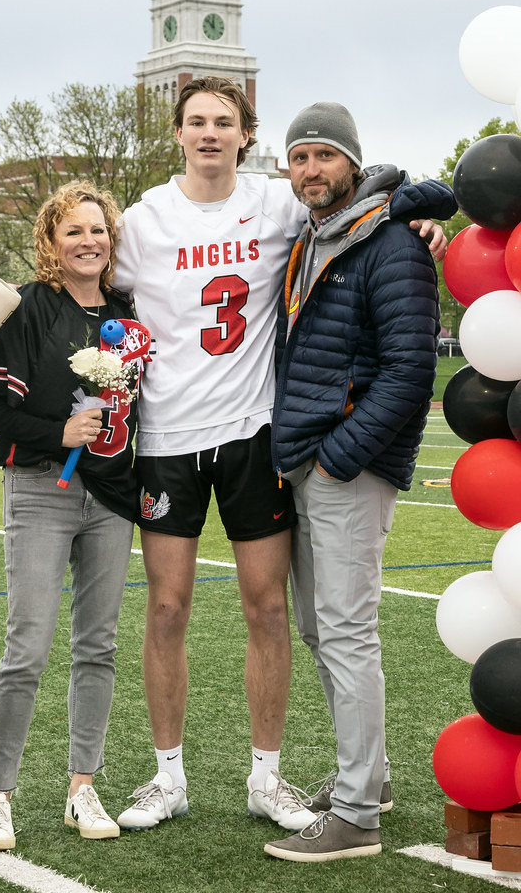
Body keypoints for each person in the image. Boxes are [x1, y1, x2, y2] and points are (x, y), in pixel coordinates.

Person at [112, 77, 453, 833]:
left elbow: (374, 193)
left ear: (243, 134)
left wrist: (419, 215)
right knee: (169, 608)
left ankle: (270, 778)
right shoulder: (143, 219)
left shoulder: (276, 202)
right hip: (167, 436)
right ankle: (168, 777)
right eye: (195, 121)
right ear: (177, 132)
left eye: (223, 122)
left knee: (272, 609)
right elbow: (87, 280)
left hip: (255, 433)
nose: (208, 133)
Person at [264, 103, 442, 863]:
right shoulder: (314, 236)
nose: (311, 170)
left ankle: (358, 815)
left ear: (353, 162)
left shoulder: (391, 241)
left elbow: (411, 370)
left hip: (346, 465)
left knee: (344, 630)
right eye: (299, 157)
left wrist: (341, 456)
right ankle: (367, 778)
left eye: (324, 156)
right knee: (319, 627)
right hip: (306, 458)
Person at [0, 180, 139, 849]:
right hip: (42, 489)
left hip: (113, 497)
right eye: (73, 231)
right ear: (50, 241)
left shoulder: (130, 311)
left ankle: (82, 786)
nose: (87, 241)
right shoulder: (26, 308)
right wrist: (57, 433)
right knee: (27, 648)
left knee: (98, 646)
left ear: (111, 239)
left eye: (97, 230)